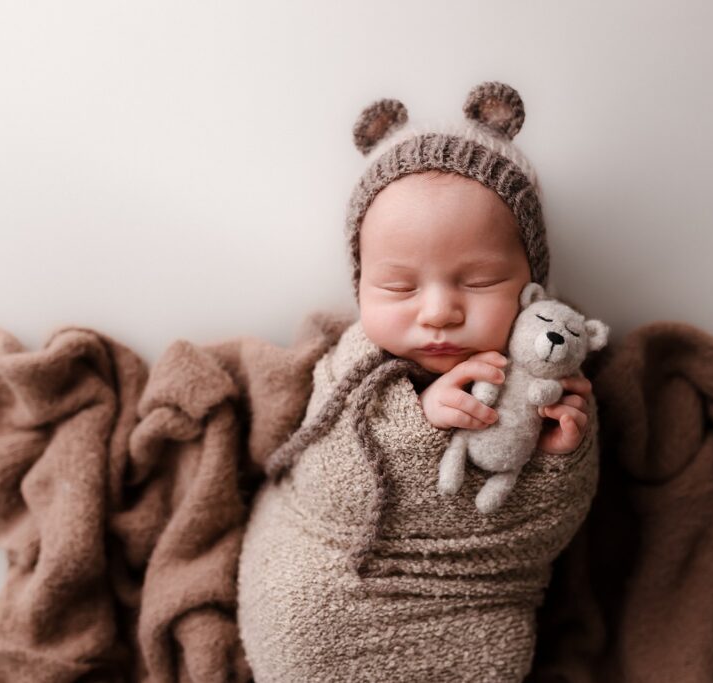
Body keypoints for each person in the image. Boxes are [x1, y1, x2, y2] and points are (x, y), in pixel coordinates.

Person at [237, 81, 602, 682]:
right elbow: (329, 484)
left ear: (532, 286)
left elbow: (539, 539)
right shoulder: (352, 364)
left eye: (478, 281)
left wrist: (562, 459)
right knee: (304, 639)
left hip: (470, 599)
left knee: (499, 657)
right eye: (400, 288)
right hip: (330, 583)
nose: (438, 312)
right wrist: (417, 420)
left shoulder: (551, 369)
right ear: (360, 288)